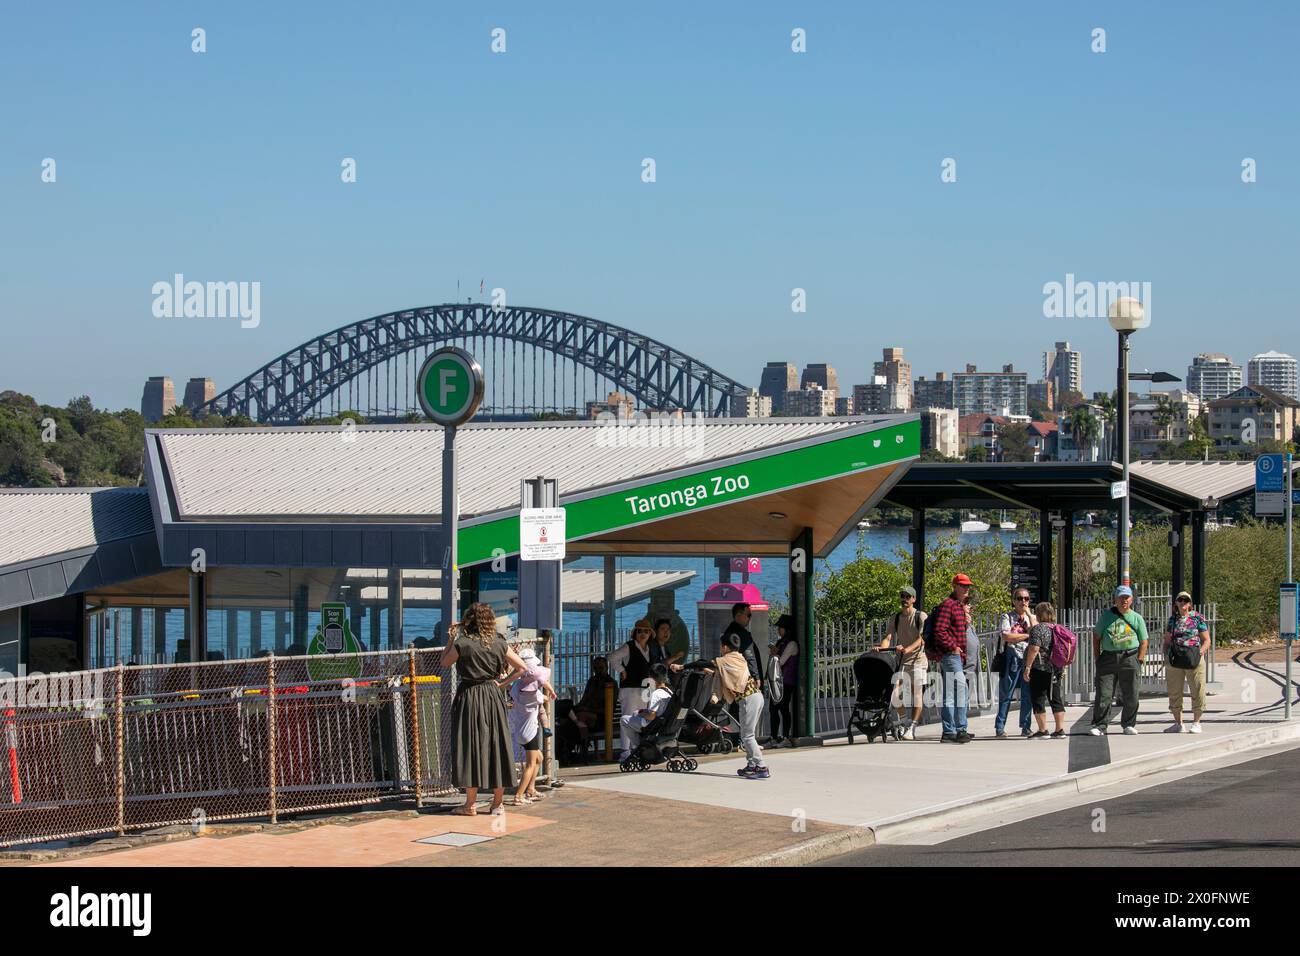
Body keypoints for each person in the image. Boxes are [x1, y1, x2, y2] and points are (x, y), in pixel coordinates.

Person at [440, 603, 530, 815]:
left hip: (469, 695)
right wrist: (503, 684)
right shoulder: (499, 642)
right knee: (497, 745)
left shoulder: (463, 643)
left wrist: (451, 638)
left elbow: (445, 662)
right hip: (492, 695)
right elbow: (522, 668)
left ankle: (470, 804)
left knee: (469, 745)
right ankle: (497, 804)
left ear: (469, 620)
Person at [677, 630, 770, 778]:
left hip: (748, 698)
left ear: (725, 647)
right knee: (746, 734)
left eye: (721, 646)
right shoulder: (739, 658)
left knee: (748, 736)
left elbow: (703, 662)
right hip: (754, 697)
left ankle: (761, 766)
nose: (720, 649)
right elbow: (722, 673)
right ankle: (751, 765)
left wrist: (682, 667)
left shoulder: (727, 660)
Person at [1089, 585, 1149, 736]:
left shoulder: (1137, 618)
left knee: (1132, 694)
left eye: (1126, 597)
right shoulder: (1107, 616)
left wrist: (1139, 660)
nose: (1124, 600)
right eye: (1121, 597)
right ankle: (1100, 725)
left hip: (1130, 657)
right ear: (1115, 599)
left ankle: (1128, 724)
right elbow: (1096, 637)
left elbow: (1144, 640)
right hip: (1108, 657)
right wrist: (1098, 658)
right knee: (1104, 694)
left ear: (1131, 599)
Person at [505, 645, 557, 806]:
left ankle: (531, 789)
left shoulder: (517, 688)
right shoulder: (534, 694)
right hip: (530, 732)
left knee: (539, 759)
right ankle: (519, 795)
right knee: (530, 765)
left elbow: (540, 682)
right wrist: (552, 692)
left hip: (520, 731)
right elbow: (544, 686)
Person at [878, 588, 927, 740]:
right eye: (902, 596)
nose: (904, 599)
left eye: (907, 596)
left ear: (913, 599)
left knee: (917, 693)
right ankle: (905, 721)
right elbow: (888, 637)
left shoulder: (921, 616)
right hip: (902, 661)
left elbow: (922, 638)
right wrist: (880, 648)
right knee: (894, 694)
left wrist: (908, 648)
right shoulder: (896, 617)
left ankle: (912, 727)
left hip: (918, 660)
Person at [930, 574, 973, 743]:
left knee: (951, 693)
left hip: (957, 655)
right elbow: (939, 631)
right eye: (962, 586)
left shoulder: (958, 606)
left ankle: (950, 731)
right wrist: (953, 647)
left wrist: (966, 621)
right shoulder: (948, 605)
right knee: (960, 689)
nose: (966, 589)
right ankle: (959, 728)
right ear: (954, 586)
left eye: (968, 586)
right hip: (950, 655)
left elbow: (956, 630)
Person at [606, 618, 656, 760]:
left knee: (642, 719)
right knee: (627, 718)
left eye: (646, 631)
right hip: (630, 689)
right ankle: (625, 751)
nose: (643, 634)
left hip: (646, 689)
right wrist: (622, 670)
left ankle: (637, 748)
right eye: (640, 631)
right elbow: (612, 657)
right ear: (635, 633)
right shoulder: (629, 646)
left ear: (650, 634)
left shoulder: (649, 648)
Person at [1164, 591, 1210, 734]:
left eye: (1186, 600)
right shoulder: (1172, 620)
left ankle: (1196, 722)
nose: (1183, 602)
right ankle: (1178, 723)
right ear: (1176, 603)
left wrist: (1200, 652)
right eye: (1180, 600)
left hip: (1193, 657)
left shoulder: (1197, 618)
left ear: (1189, 603)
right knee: (1174, 690)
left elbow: (1206, 639)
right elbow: (1167, 640)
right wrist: (1166, 655)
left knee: (1197, 689)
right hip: (1176, 659)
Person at [995, 588, 1037, 738]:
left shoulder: (1031, 617)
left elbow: (1036, 633)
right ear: (1014, 601)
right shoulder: (1007, 616)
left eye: (1026, 598)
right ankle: (1000, 727)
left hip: (1027, 659)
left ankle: (1026, 726)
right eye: (1019, 598)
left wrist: (1029, 614)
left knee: (1027, 695)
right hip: (1012, 658)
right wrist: (1026, 635)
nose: (1023, 602)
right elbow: (1007, 636)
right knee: (1007, 693)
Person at [1022, 602, 1068, 738]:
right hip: (1055, 669)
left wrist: (1028, 667)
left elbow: (1034, 649)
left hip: (1040, 668)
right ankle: (1060, 729)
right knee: (1056, 698)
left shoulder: (1038, 629)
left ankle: (1043, 730)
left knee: (1038, 698)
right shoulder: (1058, 628)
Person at [619, 664, 675, 755]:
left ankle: (638, 746)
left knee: (624, 720)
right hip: (665, 725)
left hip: (654, 726)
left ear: (651, 679)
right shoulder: (669, 692)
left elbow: (651, 716)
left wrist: (642, 714)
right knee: (635, 714)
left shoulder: (656, 694)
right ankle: (638, 746)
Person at [767, 613, 800, 746]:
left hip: (786, 681)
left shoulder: (791, 644)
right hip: (778, 681)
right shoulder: (781, 642)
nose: (778, 630)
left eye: (780, 627)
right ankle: (774, 737)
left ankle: (785, 736)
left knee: (783, 708)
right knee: (773, 709)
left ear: (787, 629)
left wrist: (775, 653)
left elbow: (780, 661)